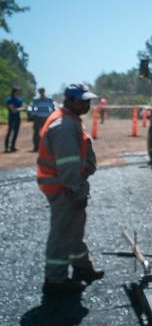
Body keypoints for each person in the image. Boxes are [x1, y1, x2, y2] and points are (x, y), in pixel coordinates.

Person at [35, 83, 104, 295]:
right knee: (62, 234)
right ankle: (55, 280)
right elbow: (68, 165)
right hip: (64, 189)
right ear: (70, 101)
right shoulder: (64, 126)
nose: (87, 104)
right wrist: (75, 191)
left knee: (73, 230)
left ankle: (82, 268)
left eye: (88, 101)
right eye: (83, 101)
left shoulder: (70, 120)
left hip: (68, 187)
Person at [29, 87, 56, 153]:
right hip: (38, 117)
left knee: (47, 132)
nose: (41, 93)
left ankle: (47, 147)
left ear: (44, 92)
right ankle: (36, 147)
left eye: (42, 92)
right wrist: (33, 114)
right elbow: (32, 107)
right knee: (36, 132)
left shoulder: (49, 100)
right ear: (39, 93)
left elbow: (52, 108)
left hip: (46, 117)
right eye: (40, 92)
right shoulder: (36, 100)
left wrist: (52, 116)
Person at [5, 87, 24, 152]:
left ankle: (13, 147)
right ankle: (7, 147)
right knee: (10, 132)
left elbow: (22, 107)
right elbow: (12, 109)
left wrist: (17, 109)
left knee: (16, 132)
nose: (19, 93)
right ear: (14, 92)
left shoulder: (19, 100)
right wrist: (18, 109)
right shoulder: (9, 99)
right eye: (18, 91)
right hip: (11, 118)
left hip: (17, 118)